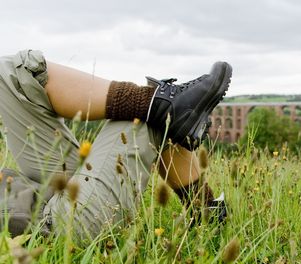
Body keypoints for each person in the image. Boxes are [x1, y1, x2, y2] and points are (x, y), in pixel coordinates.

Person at [0, 49, 232, 242]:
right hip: (58, 226)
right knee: (145, 117)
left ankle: (159, 102)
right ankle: (206, 209)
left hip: (42, 194)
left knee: (8, 73)